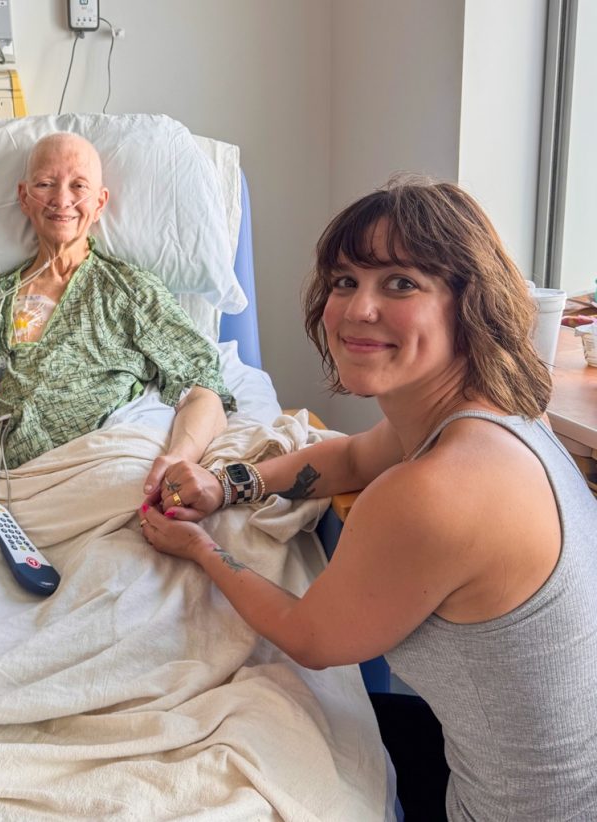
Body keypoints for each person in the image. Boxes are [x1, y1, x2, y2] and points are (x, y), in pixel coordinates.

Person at [137, 177, 597, 820]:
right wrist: (227, 484)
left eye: (401, 283)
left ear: (470, 303)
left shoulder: (435, 492)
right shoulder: (508, 412)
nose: (356, 309)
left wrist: (202, 548)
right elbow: (351, 456)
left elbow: (310, 637)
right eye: (345, 280)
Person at [0, 132, 235, 495]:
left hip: (92, 481)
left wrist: (178, 459)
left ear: (100, 203)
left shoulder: (131, 293)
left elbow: (203, 387)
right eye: (45, 184)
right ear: (24, 198)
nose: (61, 200)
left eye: (79, 186)